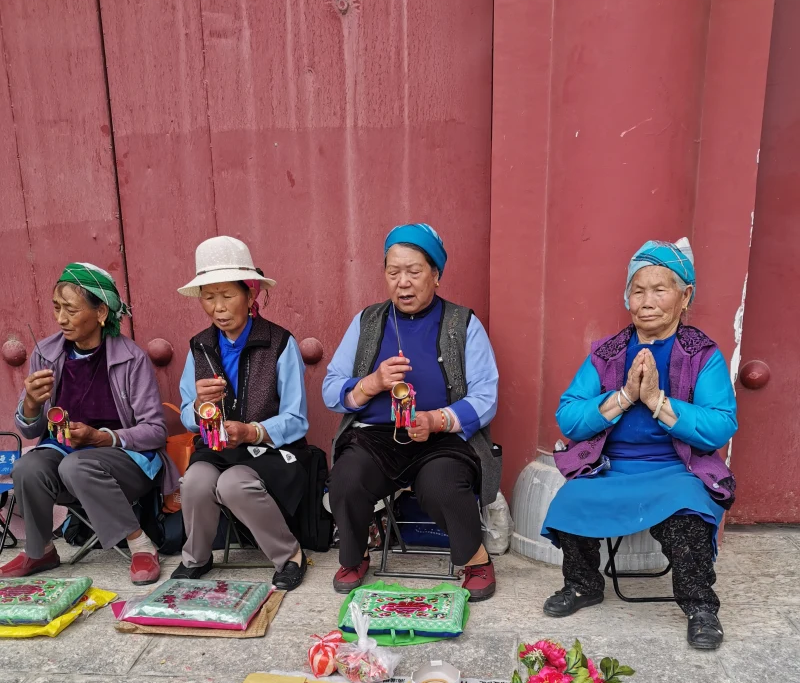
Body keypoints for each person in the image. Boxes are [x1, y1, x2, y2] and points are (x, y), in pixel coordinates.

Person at [541, 238, 737, 649]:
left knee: (689, 513)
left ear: (685, 297)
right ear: (626, 297)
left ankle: (700, 605)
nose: (646, 301)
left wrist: (658, 401)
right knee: (573, 498)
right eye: (637, 290)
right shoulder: (608, 353)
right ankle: (583, 584)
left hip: (676, 469)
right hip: (611, 466)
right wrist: (626, 396)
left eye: (659, 289)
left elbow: (721, 425)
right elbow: (569, 417)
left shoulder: (702, 355)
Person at [323, 223, 501, 600]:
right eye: (393, 272)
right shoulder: (367, 322)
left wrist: (437, 420)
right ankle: (355, 557)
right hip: (377, 436)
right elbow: (330, 389)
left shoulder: (463, 323)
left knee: (441, 483)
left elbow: (486, 397)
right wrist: (371, 383)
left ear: (436, 275)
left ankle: (475, 558)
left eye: (414, 271)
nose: (402, 282)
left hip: (441, 438)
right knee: (346, 477)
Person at [3, 263, 176, 584]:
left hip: (126, 464)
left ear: (101, 313)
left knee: (76, 465)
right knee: (26, 467)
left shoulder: (131, 358)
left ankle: (140, 544)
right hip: (66, 458)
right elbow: (29, 431)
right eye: (57, 308)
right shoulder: (46, 354)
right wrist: (30, 404)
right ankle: (39, 551)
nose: (60, 319)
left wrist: (99, 437)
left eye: (70, 309)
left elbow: (155, 432)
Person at [173, 236, 309, 590]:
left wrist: (251, 431)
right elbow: (188, 413)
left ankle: (290, 554)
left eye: (227, 295)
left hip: (274, 450)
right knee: (196, 481)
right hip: (218, 448)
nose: (218, 307)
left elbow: (297, 419)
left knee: (234, 483)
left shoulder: (280, 342)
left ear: (251, 296)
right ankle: (197, 558)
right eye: (208, 296)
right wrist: (200, 409)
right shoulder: (199, 346)